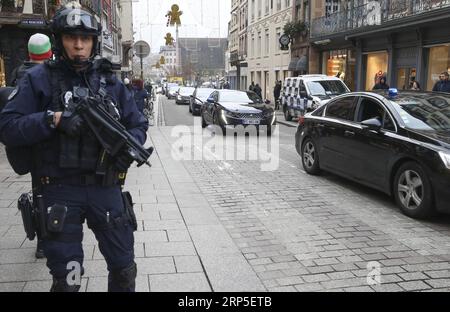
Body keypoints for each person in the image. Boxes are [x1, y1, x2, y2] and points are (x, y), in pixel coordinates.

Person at [0, 2, 148, 292]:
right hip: (59, 191)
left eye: (85, 39)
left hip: (106, 188)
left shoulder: (110, 82)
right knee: (69, 279)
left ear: (94, 42)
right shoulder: (37, 79)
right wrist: (52, 120)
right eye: (71, 38)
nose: (79, 46)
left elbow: (138, 124)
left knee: (124, 269)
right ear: (59, 40)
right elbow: (8, 127)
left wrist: (127, 151)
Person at [10, 33, 53, 259]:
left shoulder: (17, 73)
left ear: (29, 53)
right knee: (52, 191)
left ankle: (42, 242)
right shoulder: (50, 74)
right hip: (49, 141)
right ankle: (51, 238)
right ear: (50, 52)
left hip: (28, 142)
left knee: (38, 189)